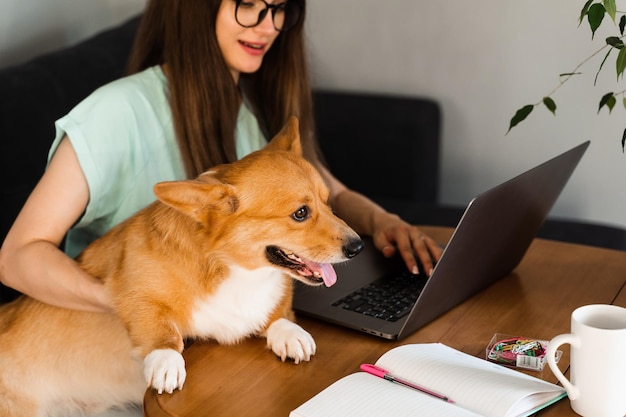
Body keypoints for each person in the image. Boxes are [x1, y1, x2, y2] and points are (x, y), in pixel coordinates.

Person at [0, 0, 442, 361]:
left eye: (279, 8)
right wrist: (137, 302)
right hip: (118, 355)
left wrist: (385, 222)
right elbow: (17, 257)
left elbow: (335, 192)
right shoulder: (114, 115)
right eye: (248, 5)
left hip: (225, 344)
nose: (268, 26)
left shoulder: (251, 110)